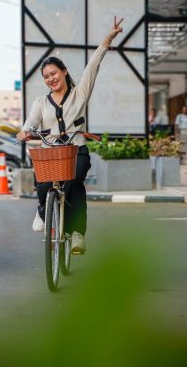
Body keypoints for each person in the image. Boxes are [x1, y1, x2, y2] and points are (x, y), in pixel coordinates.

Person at [16, 16, 124, 254]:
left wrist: (108, 39)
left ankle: (77, 234)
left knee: (75, 181)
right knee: (43, 183)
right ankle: (43, 209)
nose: (50, 79)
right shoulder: (40, 102)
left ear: (64, 72)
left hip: (77, 150)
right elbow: (32, 121)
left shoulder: (79, 93)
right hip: (50, 153)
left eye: (54, 73)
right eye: (46, 76)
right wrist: (25, 131)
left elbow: (93, 66)